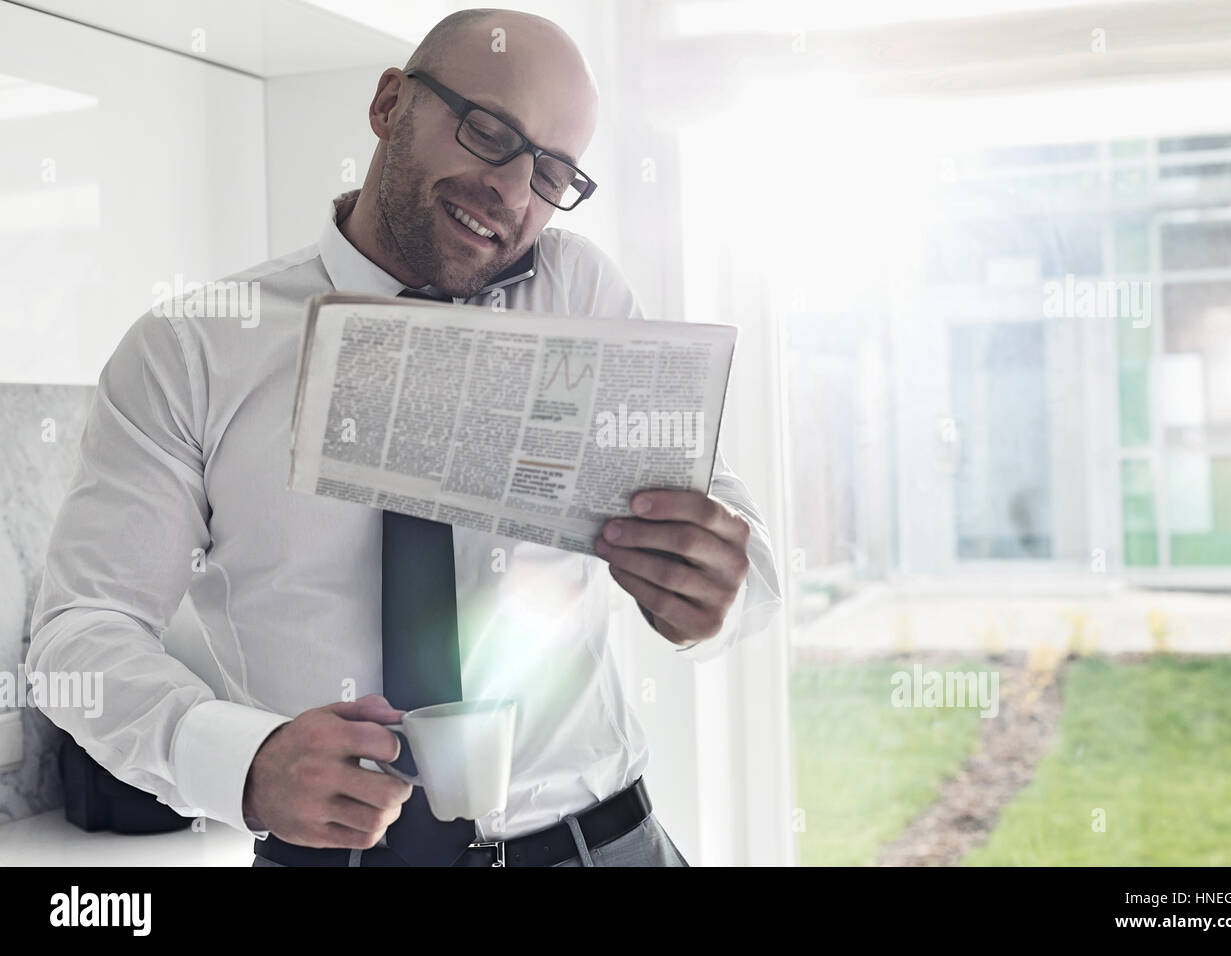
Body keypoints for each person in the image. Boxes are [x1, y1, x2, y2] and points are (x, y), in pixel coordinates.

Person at [26, 7, 780, 867]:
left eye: (553, 173)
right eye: (489, 131)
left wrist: (715, 586)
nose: (513, 190)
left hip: (602, 846)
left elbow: (738, 543)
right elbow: (80, 629)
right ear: (390, 103)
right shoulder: (191, 349)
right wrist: (244, 761)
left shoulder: (575, 292)